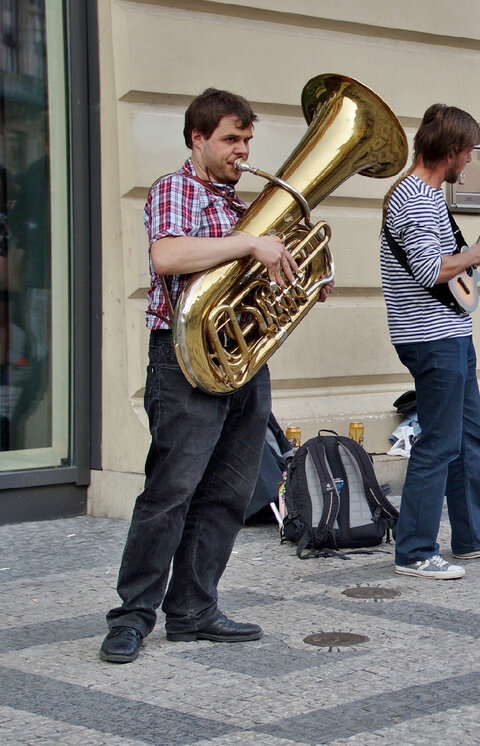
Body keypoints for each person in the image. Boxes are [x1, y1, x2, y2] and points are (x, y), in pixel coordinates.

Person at [101, 88, 310, 663]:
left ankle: (193, 608)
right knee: (170, 493)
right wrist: (250, 242)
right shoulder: (178, 188)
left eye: (247, 140)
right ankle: (132, 617)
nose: (241, 151)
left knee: (229, 492)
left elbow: (248, 283)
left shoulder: (245, 204)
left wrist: (296, 277)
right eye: (230, 139)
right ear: (197, 138)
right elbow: (166, 256)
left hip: (243, 362)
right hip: (183, 361)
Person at [381, 103, 480, 580]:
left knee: (466, 438)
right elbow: (429, 270)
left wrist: (477, 248)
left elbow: (455, 275)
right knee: (439, 443)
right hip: (430, 337)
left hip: (449, 332)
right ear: (450, 151)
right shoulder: (415, 198)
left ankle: (471, 537)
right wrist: (476, 252)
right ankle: (416, 550)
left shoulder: (424, 196)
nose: (469, 163)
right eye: (467, 153)